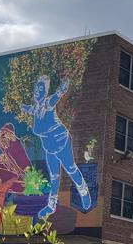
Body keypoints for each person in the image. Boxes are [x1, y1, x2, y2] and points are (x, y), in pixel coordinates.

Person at [22, 76, 91, 218]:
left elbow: (57, 96)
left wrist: (63, 87)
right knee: (54, 176)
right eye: (36, 88)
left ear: (45, 92)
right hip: (49, 148)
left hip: (61, 142)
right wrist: (23, 107)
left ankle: (84, 192)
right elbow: (30, 110)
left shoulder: (48, 103)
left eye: (41, 89)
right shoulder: (36, 109)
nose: (37, 91)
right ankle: (51, 205)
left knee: (70, 168)